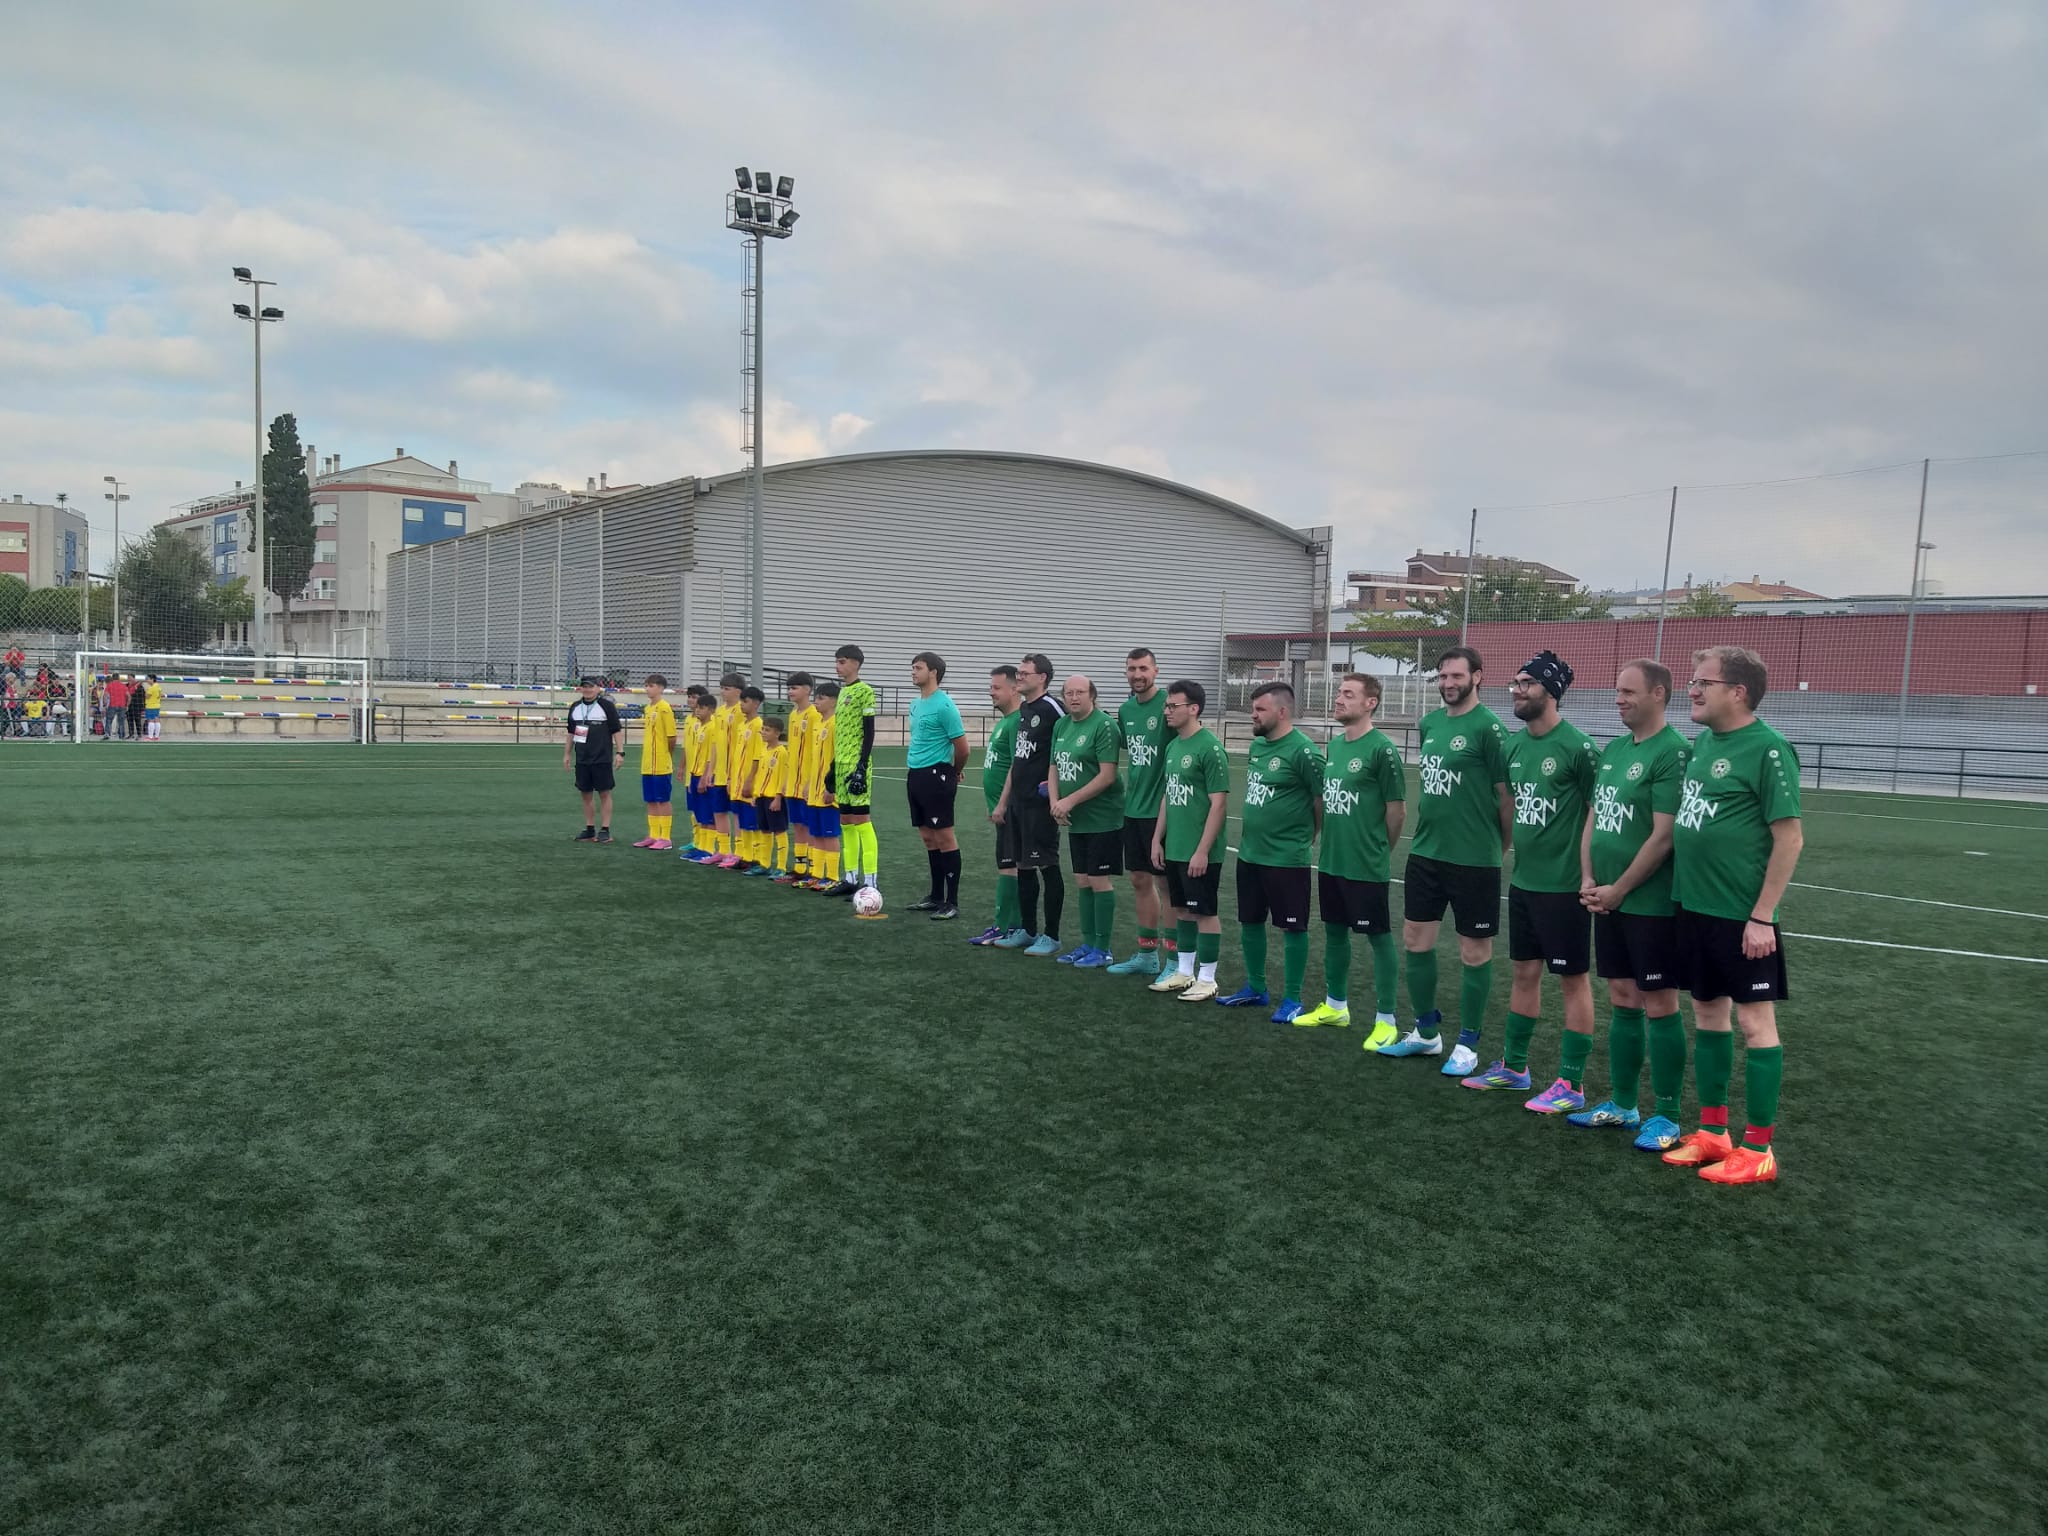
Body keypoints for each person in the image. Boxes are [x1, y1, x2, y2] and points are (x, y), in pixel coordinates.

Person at [1663, 645, 1803, 1186]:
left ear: (1738, 692)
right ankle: (1714, 1132)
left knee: (1754, 1023)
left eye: (1704, 682)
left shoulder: (1768, 748)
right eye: (1694, 681)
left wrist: (1762, 916)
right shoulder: (1702, 743)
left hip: (1741, 916)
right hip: (1693, 906)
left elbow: (1789, 838)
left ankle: (1759, 1148)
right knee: (1707, 1014)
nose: (1693, 690)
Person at [1462, 652, 1602, 1109]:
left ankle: (1572, 1085)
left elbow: (1596, 813)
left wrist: (1588, 873)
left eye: (1527, 683)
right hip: (1524, 883)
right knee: (1524, 973)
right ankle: (1515, 1067)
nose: (1517, 690)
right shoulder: (1514, 747)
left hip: (1565, 887)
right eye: (1516, 683)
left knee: (1572, 981)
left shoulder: (1579, 748)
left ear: (1551, 690)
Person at [1569, 658, 1692, 1146]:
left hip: (1650, 904)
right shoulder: (1615, 749)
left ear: (1658, 694)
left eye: (1628, 691)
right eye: (1617, 691)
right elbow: (1595, 818)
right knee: (1622, 996)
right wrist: (1588, 876)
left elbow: (1664, 836)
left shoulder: (1674, 751)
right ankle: (1623, 1104)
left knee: (1659, 1001)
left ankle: (1667, 1115)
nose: (1618, 699)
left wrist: (1620, 888)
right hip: (1606, 897)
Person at [1379, 646, 1511, 1073]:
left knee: (1474, 951)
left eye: (1456, 676)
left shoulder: (1490, 728)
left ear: (1477, 677)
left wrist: (1498, 849)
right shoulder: (1430, 723)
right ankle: (1426, 1033)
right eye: (1442, 676)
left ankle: (1468, 1043)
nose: (1448, 683)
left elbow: (1506, 796)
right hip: (1425, 853)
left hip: (1474, 859)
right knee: (1415, 940)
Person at [1295, 673, 1407, 1047]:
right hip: (1332, 860)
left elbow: (1397, 811)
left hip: (1365, 863)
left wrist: (1379, 849)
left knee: (1378, 937)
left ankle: (1387, 1020)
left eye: (1348, 694)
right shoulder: (1336, 745)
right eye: (1338, 692)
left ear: (1370, 703)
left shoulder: (1382, 750)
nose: (1339, 699)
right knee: (1334, 932)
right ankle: (1336, 1006)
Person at [1214, 681, 1324, 1022]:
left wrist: (1310, 834)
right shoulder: (1258, 746)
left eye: (1260, 709)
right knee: (1249, 921)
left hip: (1286, 857)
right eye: (1253, 708)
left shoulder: (1305, 751)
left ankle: (1293, 998)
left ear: (1282, 711)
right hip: (1250, 853)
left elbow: (1321, 799)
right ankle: (1256, 988)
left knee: (1293, 927)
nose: (1253, 715)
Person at [1147, 680, 1230, 1002]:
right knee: (1181, 909)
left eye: (1173, 706)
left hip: (1199, 850)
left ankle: (1208, 979)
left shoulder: (1210, 747)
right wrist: (1157, 839)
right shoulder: (1173, 747)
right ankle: (1184, 972)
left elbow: (1218, 804)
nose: (1167, 711)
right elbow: (1168, 796)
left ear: (1193, 709)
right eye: (1166, 706)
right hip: (1176, 846)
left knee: (1204, 912)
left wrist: (1203, 851)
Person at [991, 653, 1067, 954]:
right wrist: (1003, 802)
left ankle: (1052, 935)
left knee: (1047, 865)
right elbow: (1019, 759)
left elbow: (1069, 742)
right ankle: (1028, 930)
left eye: (1025, 673)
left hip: (1040, 804)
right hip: (1018, 803)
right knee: (1023, 866)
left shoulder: (1053, 708)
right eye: (1019, 672)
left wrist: (1056, 790)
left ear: (1042, 677)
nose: (1019, 677)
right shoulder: (1025, 708)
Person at [1049, 673, 1126, 966]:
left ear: (1092, 695)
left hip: (1103, 817)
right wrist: (1055, 802)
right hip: (1076, 818)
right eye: (1069, 693)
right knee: (1082, 879)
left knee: (1098, 879)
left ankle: (1103, 949)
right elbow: (1054, 767)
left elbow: (1107, 776)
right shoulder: (1061, 725)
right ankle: (1088, 943)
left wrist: (1069, 801)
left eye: (1080, 692)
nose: (1074, 697)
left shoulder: (1104, 725)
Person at [1108, 647, 1173, 977]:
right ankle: (1147, 955)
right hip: (1133, 807)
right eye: (1132, 669)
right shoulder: (1126, 709)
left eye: (1143, 669)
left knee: (1166, 885)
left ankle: (1176, 961)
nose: (1137, 675)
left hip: (1162, 809)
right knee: (1138, 879)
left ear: (1156, 671)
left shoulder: (1169, 705)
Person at [905, 652, 969, 919]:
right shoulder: (915, 704)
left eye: (918, 667)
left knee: (944, 837)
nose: (913, 672)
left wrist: (954, 771)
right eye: (912, 667)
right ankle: (935, 896)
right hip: (916, 775)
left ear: (933, 672)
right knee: (928, 837)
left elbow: (962, 747)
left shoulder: (945, 705)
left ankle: (951, 902)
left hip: (937, 775)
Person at [970, 665, 1026, 946]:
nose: (991, 692)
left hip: (1012, 808)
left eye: (996, 688)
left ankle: (1007, 926)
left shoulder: (1017, 721)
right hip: (1002, 807)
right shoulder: (1005, 721)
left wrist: (1002, 803)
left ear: (1015, 689)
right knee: (1008, 864)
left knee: (1009, 866)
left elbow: (1017, 766)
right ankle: (1012, 925)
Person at [824, 645, 880, 898]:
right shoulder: (843, 692)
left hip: (857, 765)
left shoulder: (864, 691)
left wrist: (861, 765)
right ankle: (850, 877)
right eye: (837, 662)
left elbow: (869, 731)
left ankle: (871, 880)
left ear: (856, 663)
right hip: (842, 764)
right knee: (845, 821)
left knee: (861, 821)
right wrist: (833, 767)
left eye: (842, 661)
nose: (838, 666)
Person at [565, 675, 624, 842]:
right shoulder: (575, 707)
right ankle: (590, 828)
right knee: (585, 794)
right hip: (582, 758)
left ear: (598, 688)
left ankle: (605, 829)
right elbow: (571, 732)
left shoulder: (606, 706)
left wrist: (620, 752)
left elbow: (616, 730)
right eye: (584, 686)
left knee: (604, 793)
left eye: (591, 686)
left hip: (602, 758)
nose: (587, 689)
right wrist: (567, 753)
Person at [778, 672, 821, 884]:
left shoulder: (814, 714)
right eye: (789, 688)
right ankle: (800, 867)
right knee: (798, 825)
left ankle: (814, 869)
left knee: (809, 825)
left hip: (807, 782)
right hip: (793, 781)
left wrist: (810, 781)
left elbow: (816, 752)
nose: (790, 692)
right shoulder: (793, 714)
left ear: (807, 689)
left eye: (794, 688)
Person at [803, 681, 845, 890]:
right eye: (816, 698)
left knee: (829, 834)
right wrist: (808, 784)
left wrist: (832, 787)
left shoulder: (837, 724)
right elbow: (813, 759)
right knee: (817, 833)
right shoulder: (818, 724)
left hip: (829, 790)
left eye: (821, 698)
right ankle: (817, 874)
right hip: (814, 789)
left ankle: (832, 876)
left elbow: (839, 759)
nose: (816, 702)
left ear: (834, 701)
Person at [634, 675, 679, 849]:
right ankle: (653, 835)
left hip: (661, 763)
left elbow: (671, 736)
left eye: (651, 685)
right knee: (651, 800)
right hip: (647, 763)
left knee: (663, 799)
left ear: (660, 688)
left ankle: (665, 837)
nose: (647, 689)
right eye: (646, 685)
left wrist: (666, 754)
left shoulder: (664, 708)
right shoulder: (648, 708)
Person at [707, 673, 747, 867]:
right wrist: (710, 770)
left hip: (736, 773)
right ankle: (723, 850)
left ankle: (738, 852)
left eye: (727, 688)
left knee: (737, 813)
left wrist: (736, 773)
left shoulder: (741, 711)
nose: (723, 692)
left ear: (738, 691)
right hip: (720, 773)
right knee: (718, 811)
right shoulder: (720, 711)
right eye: (722, 688)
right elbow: (715, 743)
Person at [730, 686, 768, 872]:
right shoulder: (742, 725)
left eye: (745, 701)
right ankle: (745, 856)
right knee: (743, 821)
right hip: (737, 781)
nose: (741, 705)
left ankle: (757, 859)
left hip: (749, 782)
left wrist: (750, 780)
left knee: (753, 823)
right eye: (741, 701)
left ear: (756, 703)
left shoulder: (758, 725)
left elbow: (757, 757)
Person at [681, 690, 719, 863]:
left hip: (705, 776)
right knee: (700, 813)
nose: (698, 710)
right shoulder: (700, 727)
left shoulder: (712, 727)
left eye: (702, 708)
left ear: (711, 710)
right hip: (694, 774)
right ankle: (701, 846)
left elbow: (711, 755)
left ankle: (709, 849)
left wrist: (705, 776)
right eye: (697, 707)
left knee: (708, 814)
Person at [751, 717, 790, 878]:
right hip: (762, 796)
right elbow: (760, 775)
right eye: (763, 729)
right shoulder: (763, 749)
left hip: (774, 798)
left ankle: (781, 867)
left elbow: (783, 777)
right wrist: (755, 794)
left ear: (777, 733)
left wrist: (778, 797)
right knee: (764, 831)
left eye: (767, 730)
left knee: (779, 831)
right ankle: (764, 864)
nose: (763, 732)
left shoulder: (782, 752)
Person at [104, 672, 129, 741]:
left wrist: (105, 705)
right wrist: (127, 705)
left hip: (112, 705)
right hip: (122, 705)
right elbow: (128, 696)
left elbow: (105, 695)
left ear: (112, 678)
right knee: (121, 721)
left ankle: (107, 734)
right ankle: (121, 735)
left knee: (109, 720)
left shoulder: (109, 685)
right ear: (119, 678)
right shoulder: (123, 686)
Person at [142, 673, 165, 741]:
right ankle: (156, 736)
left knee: (151, 721)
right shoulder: (158, 686)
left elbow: (147, 696)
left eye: (148, 679)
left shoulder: (151, 688)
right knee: (157, 720)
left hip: (150, 706)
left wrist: (145, 692)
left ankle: (150, 737)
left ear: (152, 679)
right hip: (157, 705)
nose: (147, 680)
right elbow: (160, 695)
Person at [126, 673, 146, 741]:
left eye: (130, 677)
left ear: (134, 678)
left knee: (138, 721)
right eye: (128, 677)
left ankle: (139, 734)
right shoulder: (126, 686)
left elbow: (143, 697)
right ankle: (131, 734)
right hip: (128, 706)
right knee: (129, 720)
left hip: (137, 706)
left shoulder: (140, 687)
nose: (128, 679)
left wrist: (143, 707)